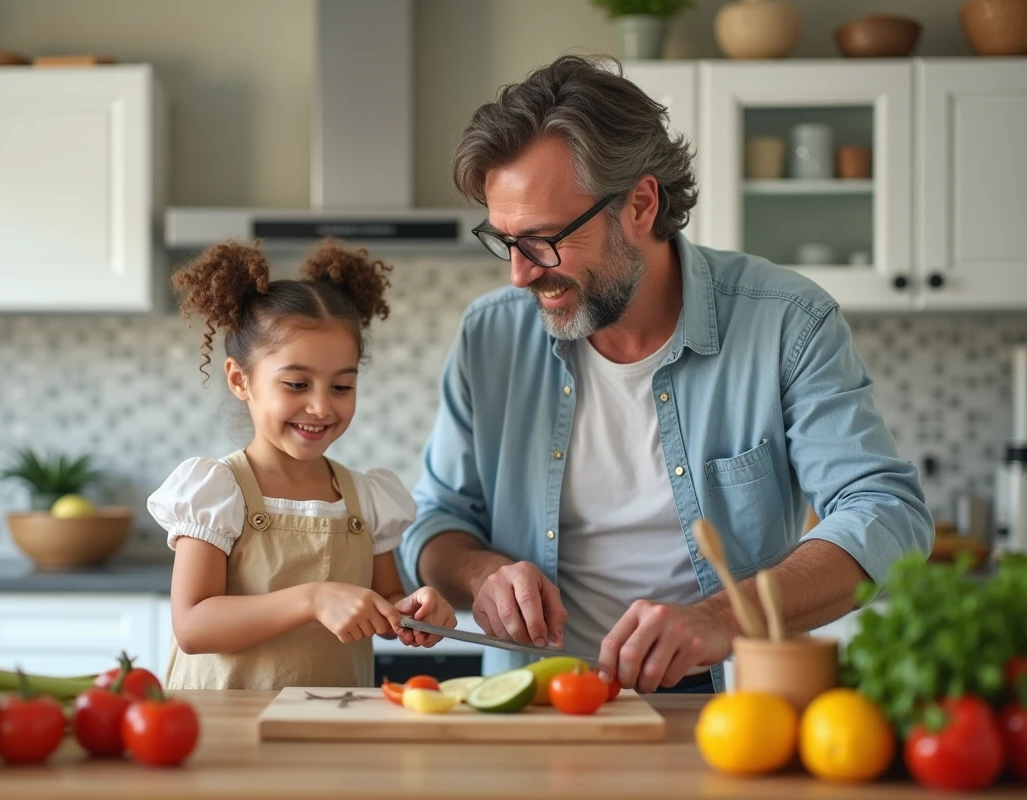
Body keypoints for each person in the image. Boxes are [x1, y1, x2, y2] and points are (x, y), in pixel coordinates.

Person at [399, 54, 933, 694]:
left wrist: (721, 619)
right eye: (505, 242)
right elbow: (435, 524)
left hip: (729, 709)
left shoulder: (787, 322)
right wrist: (484, 574)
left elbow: (886, 512)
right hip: (537, 704)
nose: (520, 275)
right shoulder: (490, 337)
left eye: (542, 241)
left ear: (641, 205)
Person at [150, 238, 457, 690]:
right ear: (240, 380)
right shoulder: (216, 491)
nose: (320, 407)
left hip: (331, 731)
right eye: (296, 384)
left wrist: (414, 610)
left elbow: (385, 600)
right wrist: (313, 599)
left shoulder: (368, 499)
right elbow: (194, 626)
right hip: (225, 733)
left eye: (341, 387)